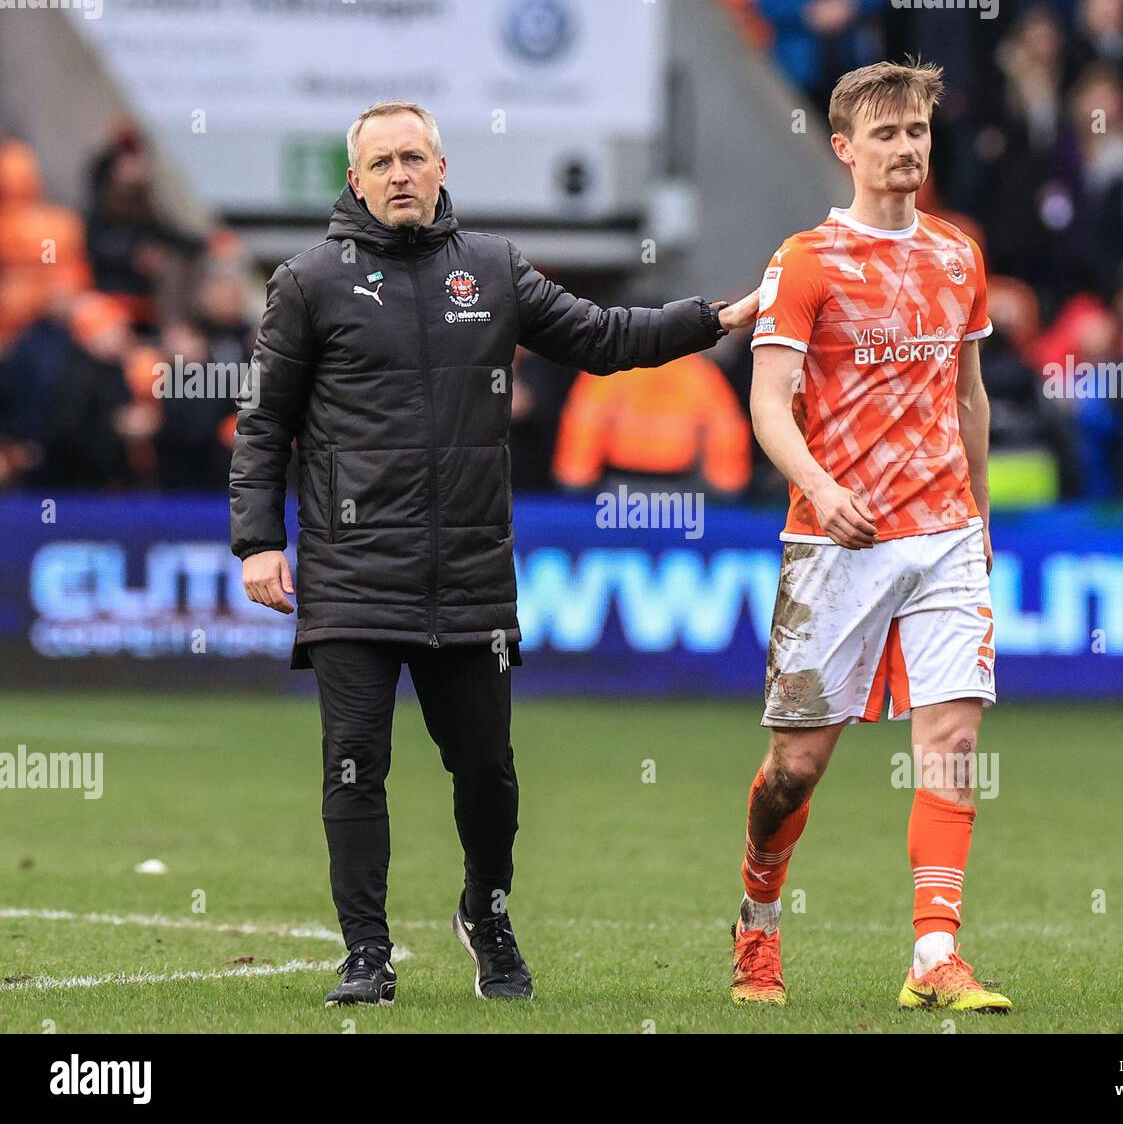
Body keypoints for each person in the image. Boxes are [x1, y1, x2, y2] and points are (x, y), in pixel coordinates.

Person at [229, 101, 757, 1008]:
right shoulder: (308, 281)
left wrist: (715, 318)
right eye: (381, 162)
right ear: (354, 180)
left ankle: (487, 909)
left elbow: (601, 339)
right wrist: (259, 542)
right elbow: (264, 422)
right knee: (354, 765)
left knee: (488, 775)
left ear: (442, 170)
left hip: (468, 578)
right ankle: (367, 954)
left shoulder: (494, 269)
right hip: (353, 576)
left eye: (415, 158)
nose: (400, 174)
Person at [730, 60, 1012, 1012]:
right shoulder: (804, 260)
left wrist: (980, 519)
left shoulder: (959, 255)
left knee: (955, 738)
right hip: (834, 541)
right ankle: (758, 925)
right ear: (845, 148)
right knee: (793, 770)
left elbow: (969, 396)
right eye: (886, 134)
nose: (906, 149)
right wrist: (818, 483)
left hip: (942, 533)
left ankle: (936, 956)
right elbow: (769, 403)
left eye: (918, 132)